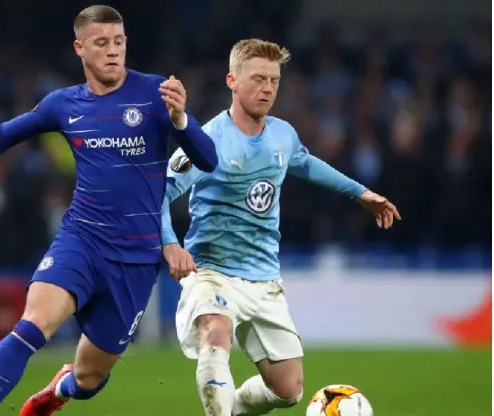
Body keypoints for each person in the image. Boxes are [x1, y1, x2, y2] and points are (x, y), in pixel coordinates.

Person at [0, 6, 218, 416]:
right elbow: (0, 135)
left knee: (90, 379)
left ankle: (62, 387)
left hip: (136, 260)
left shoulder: (156, 93)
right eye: (101, 43)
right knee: (32, 325)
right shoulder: (63, 104)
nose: (113, 51)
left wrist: (180, 119)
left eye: (119, 42)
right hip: (82, 241)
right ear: (80, 48)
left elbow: (208, 158)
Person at [160, 39, 400, 416]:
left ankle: (229, 407)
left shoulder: (282, 134)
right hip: (212, 271)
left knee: (288, 390)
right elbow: (158, 191)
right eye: (258, 78)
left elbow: (304, 163)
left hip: (264, 277)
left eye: (274, 80)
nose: (268, 88)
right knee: (216, 333)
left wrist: (360, 193)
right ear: (232, 81)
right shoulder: (208, 140)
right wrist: (170, 243)